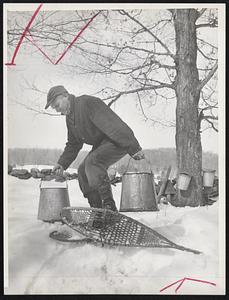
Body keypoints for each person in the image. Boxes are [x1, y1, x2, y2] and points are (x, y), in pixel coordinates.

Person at [45, 85, 145, 211]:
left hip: (117, 140)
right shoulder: (70, 118)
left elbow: (114, 125)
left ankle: (109, 208)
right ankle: (97, 210)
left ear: (65, 96)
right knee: (82, 171)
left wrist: (134, 147)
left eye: (57, 105)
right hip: (102, 144)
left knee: (93, 162)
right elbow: (73, 144)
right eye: (54, 108)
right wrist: (62, 163)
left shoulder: (87, 103)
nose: (57, 110)